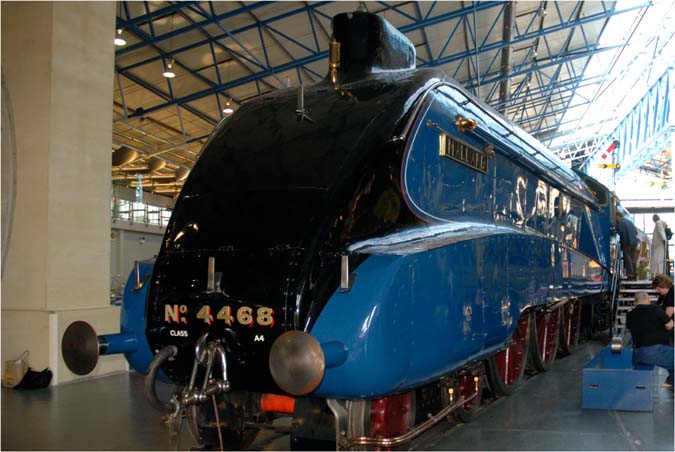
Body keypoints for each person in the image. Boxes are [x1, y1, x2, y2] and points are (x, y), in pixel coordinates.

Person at [626, 291, 674, 388]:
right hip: (654, 351)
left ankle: (671, 382)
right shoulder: (656, 309)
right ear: (649, 300)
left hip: (637, 354)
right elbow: (670, 325)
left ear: (635, 302)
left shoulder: (630, 314)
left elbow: (630, 328)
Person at [616, 212, 638, 280]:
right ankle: (634, 274)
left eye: (616, 217)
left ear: (618, 216)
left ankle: (630, 275)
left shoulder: (621, 223)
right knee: (633, 260)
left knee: (628, 260)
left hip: (627, 243)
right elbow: (636, 232)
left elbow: (620, 232)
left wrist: (616, 227)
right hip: (634, 243)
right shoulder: (630, 222)